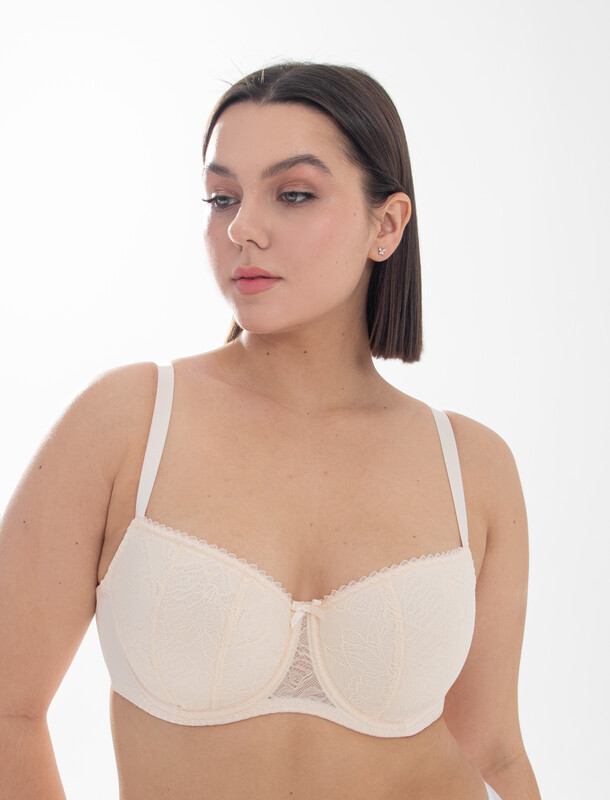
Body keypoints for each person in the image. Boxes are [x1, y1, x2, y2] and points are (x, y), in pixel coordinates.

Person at [0, 62, 541, 800]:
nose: (242, 228)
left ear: (386, 225)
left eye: (293, 194)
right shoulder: (128, 421)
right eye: (222, 197)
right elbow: (10, 709)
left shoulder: (472, 465)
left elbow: (495, 748)